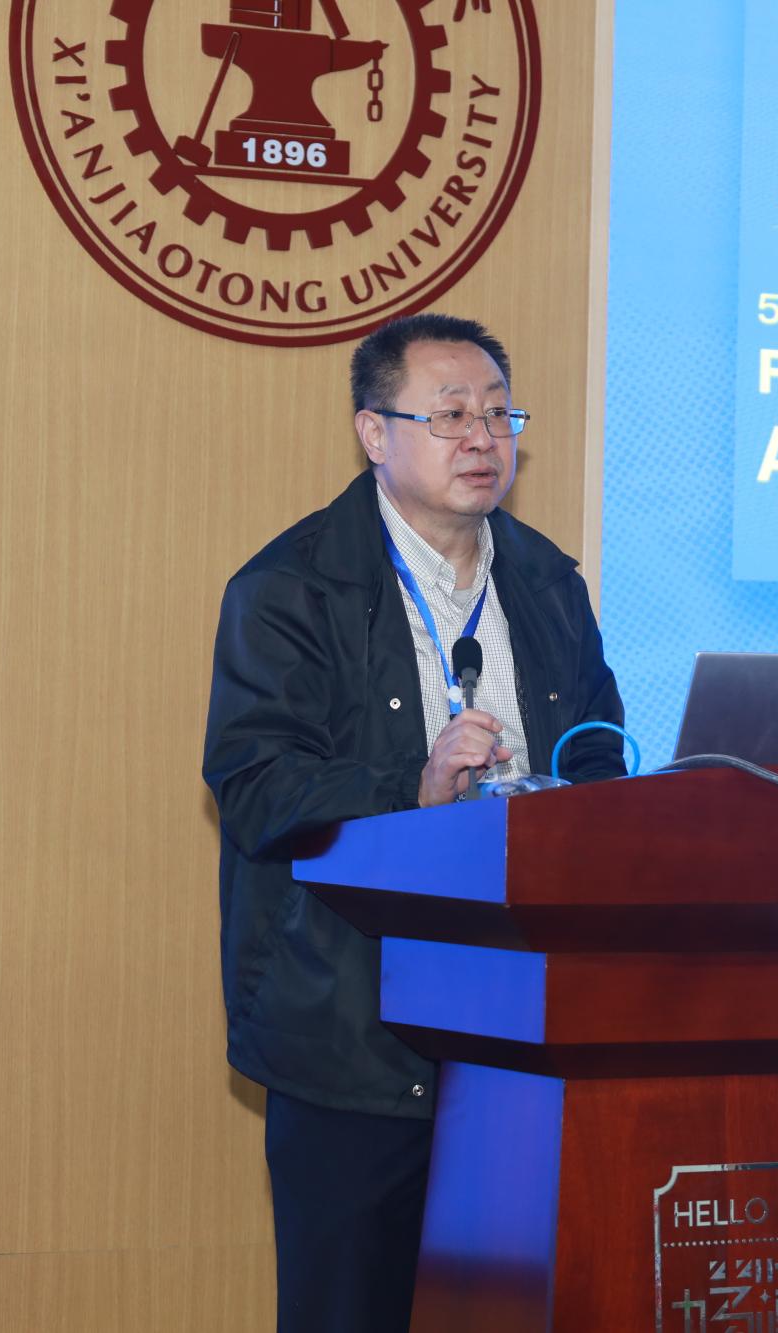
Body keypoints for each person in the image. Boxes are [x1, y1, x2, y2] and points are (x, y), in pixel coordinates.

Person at [201, 313, 627, 1330]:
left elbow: (598, 749)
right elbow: (256, 784)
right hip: (353, 1028)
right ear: (374, 434)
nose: (482, 437)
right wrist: (415, 783)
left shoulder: (546, 582)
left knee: (510, 1307)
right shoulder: (290, 587)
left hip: (520, 1025)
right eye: (449, 415)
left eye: (498, 414)